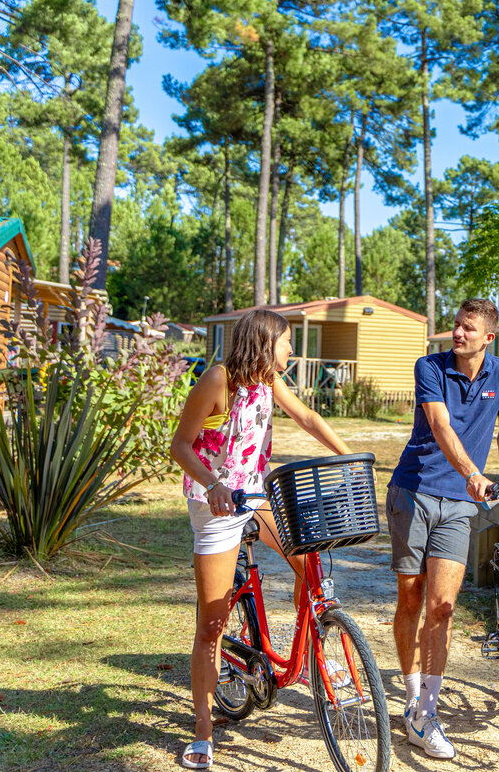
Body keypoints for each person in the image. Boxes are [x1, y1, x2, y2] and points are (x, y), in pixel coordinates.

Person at [170, 309, 352, 769]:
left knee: (307, 555)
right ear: (265, 343)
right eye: (287, 342)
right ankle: (204, 730)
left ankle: (310, 645)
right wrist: (212, 485)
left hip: (255, 493)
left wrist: (352, 458)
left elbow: (307, 417)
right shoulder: (218, 380)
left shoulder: (269, 381)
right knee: (211, 625)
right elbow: (180, 446)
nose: (292, 350)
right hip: (215, 504)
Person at [387, 298, 499, 759]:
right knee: (411, 596)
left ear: (489, 337)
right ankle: (409, 698)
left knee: (442, 607)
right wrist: (472, 473)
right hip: (415, 491)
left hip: (460, 504)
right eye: (456, 326)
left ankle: (425, 713)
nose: (457, 334)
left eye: (468, 328)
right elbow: (441, 426)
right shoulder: (430, 366)